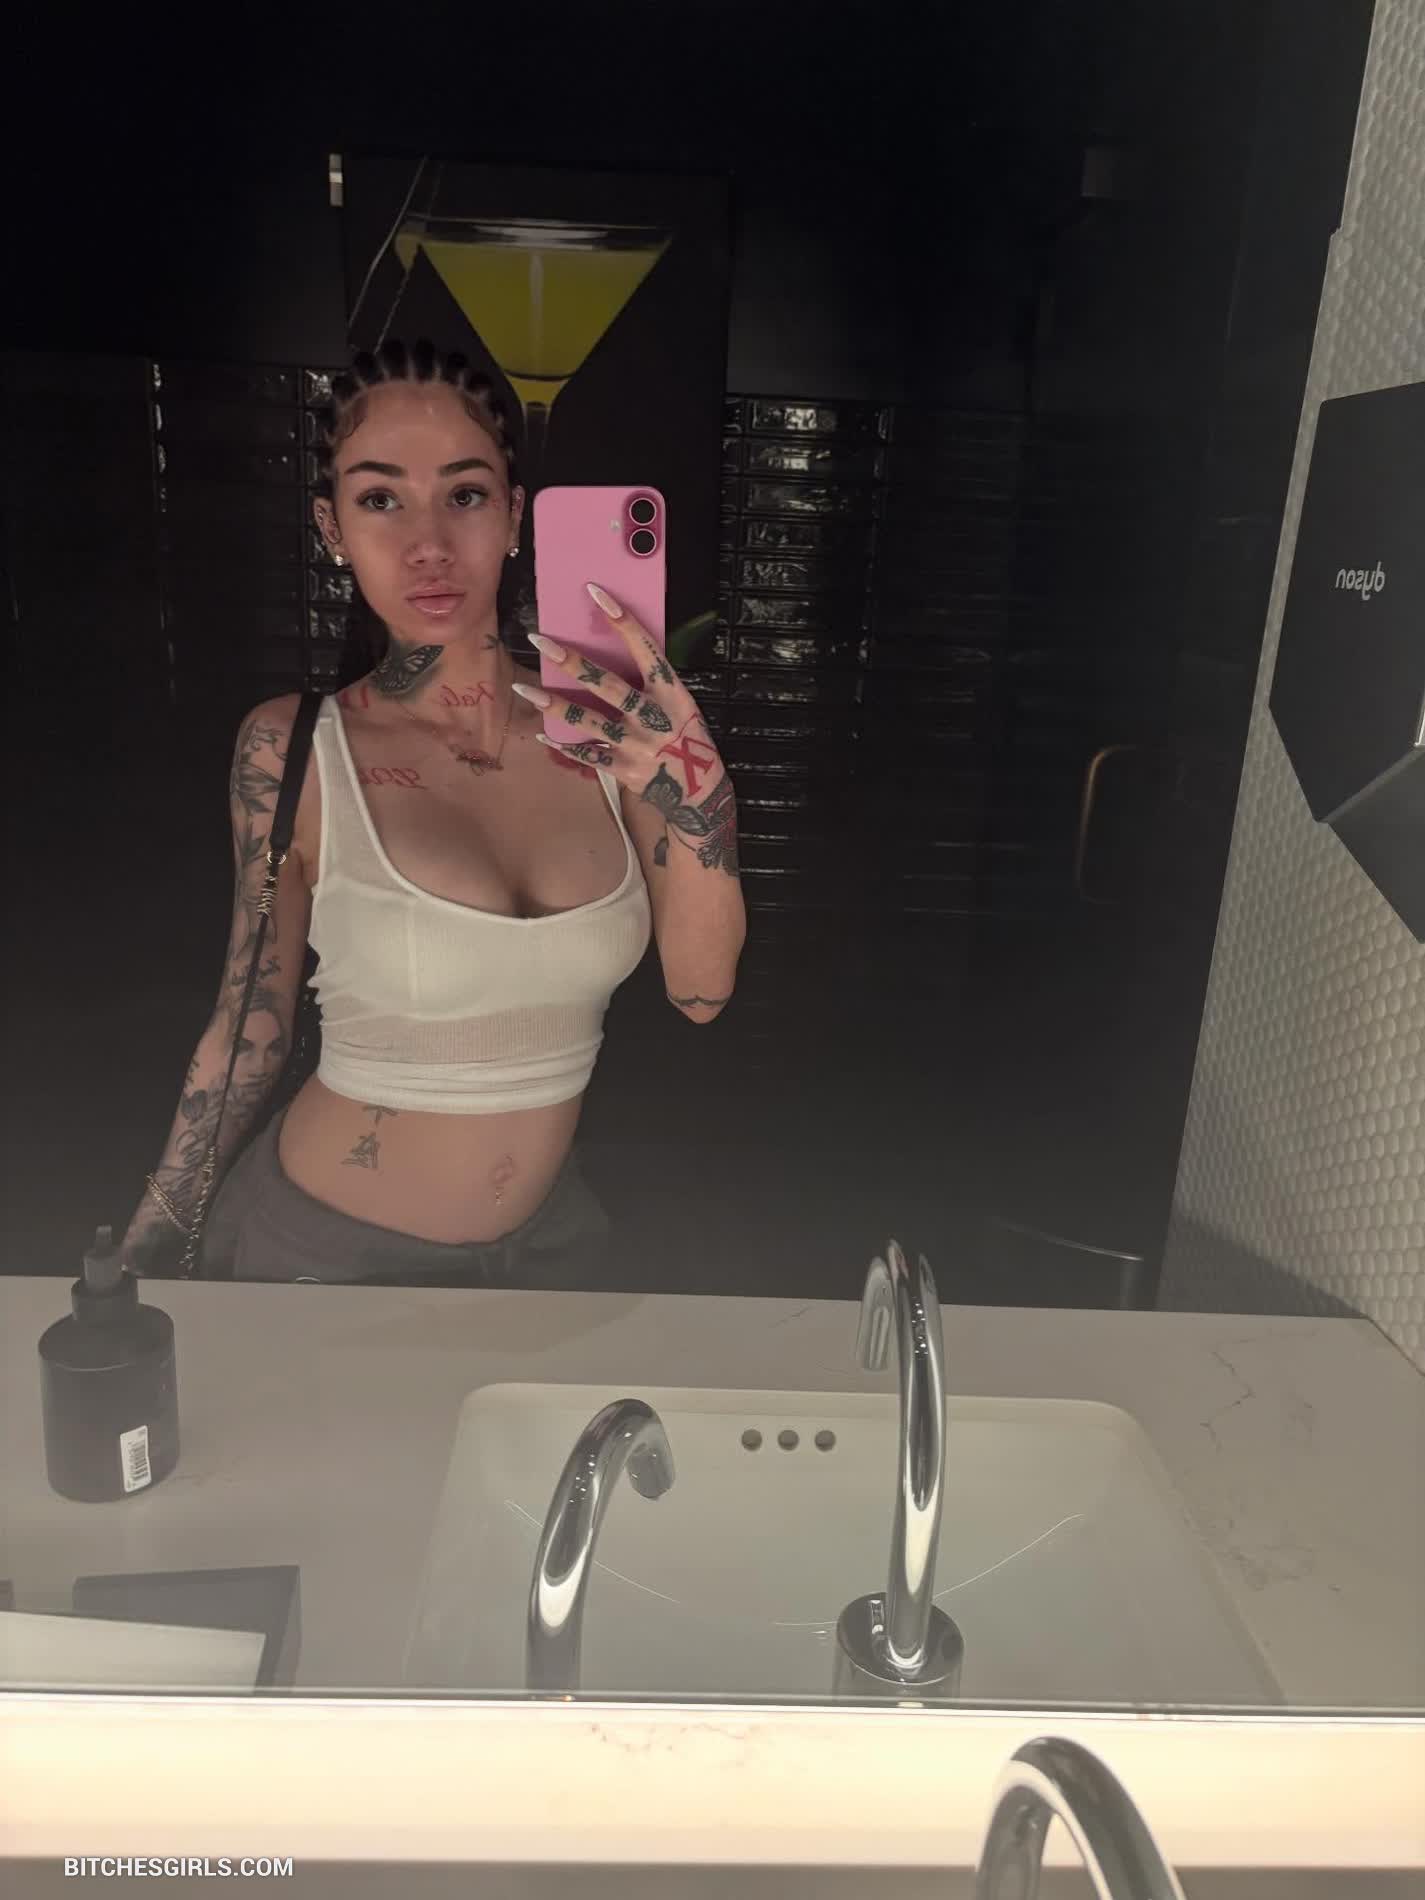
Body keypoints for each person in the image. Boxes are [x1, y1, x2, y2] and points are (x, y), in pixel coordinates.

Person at [120, 338, 746, 1287]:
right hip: (326, 1259)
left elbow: (701, 992)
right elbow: (252, 1019)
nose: (428, 545)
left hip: (550, 1254)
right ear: (331, 526)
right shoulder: (294, 747)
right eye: (380, 499)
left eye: (465, 494)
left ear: (514, 515)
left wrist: (702, 800)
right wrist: (152, 1234)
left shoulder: (612, 736)